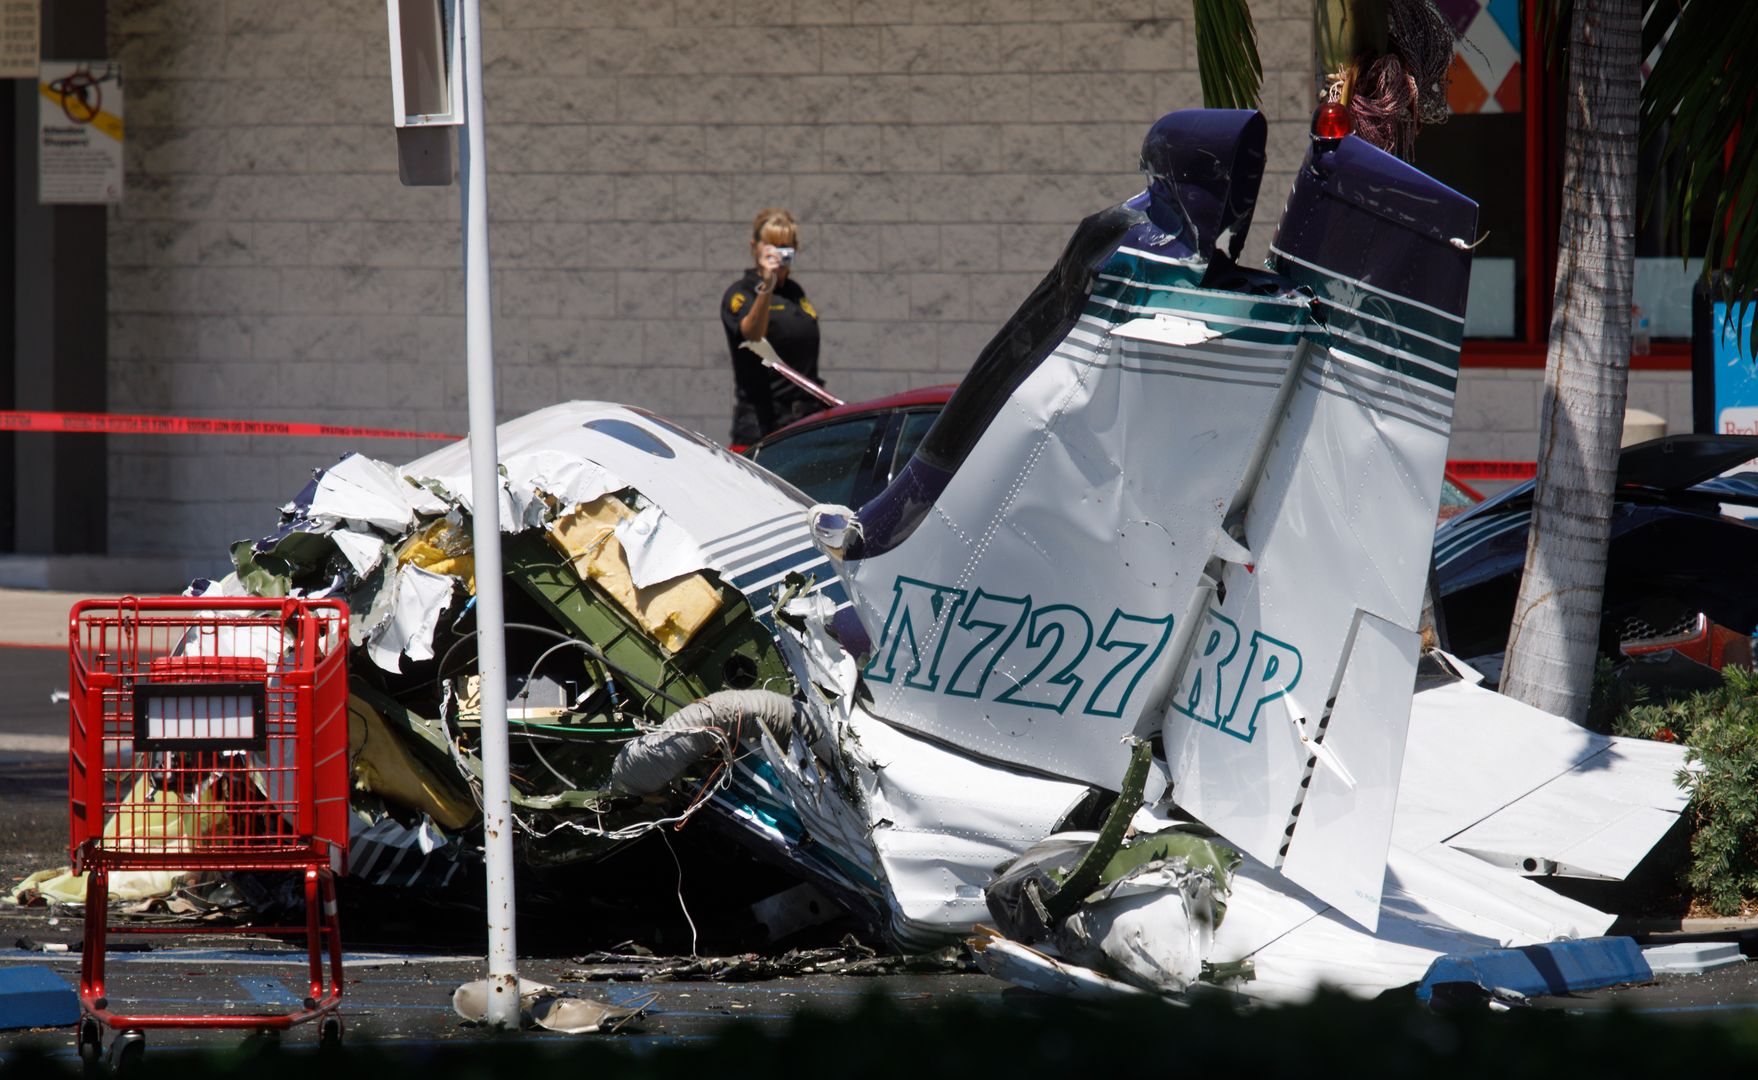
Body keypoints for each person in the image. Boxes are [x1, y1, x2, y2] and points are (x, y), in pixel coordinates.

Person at [721, 208, 826, 445]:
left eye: (785, 247)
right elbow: (752, 336)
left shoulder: (794, 293)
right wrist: (767, 286)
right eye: (771, 246)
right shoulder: (741, 293)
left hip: (806, 422)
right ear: (755, 247)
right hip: (761, 427)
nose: (778, 255)